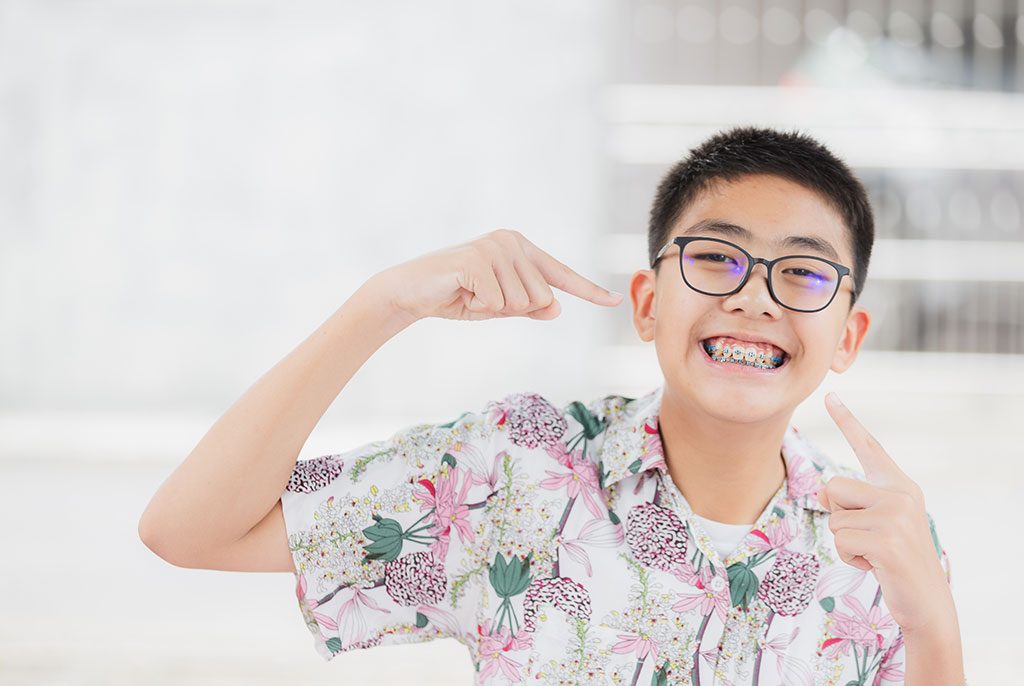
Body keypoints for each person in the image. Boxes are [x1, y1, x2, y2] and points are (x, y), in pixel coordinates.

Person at [138, 125, 966, 685]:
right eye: (717, 259)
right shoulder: (515, 470)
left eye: (804, 272)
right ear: (647, 302)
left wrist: (934, 627)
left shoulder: (884, 539)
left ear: (848, 334)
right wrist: (383, 303)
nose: (754, 299)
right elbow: (188, 528)